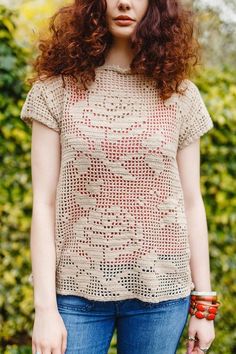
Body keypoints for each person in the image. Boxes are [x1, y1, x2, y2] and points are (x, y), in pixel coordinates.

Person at [20, 1, 220, 353]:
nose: (125, 2)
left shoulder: (180, 94)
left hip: (162, 295)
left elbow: (192, 202)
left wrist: (204, 304)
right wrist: (45, 309)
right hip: (74, 295)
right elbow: (44, 204)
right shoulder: (55, 91)